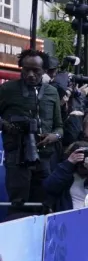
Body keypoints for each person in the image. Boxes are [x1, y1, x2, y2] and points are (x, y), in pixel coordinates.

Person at [0, 49, 64, 211]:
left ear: (44, 70)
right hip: (17, 157)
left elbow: (59, 126)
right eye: (26, 69)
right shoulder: (7, 89)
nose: (30, 74)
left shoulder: (52, 92)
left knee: (42, 205)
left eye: (36, 70)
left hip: (44, 158)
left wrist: (54, 136)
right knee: (18, 205)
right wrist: (8, 126)